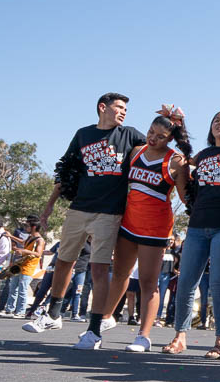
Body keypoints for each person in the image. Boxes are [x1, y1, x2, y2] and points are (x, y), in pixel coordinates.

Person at [24, 92, 146, 334]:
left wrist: (173, 126)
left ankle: (94, 328)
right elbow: (66, 170)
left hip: (109, 212)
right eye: (119, 107)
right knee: (63, 261)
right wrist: (49, 205)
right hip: (79, 208)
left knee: (99, 268)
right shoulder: (83, 134)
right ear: (103, 107)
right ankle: (53, 315)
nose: (123, 112)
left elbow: (155, 148)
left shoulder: (129, 134)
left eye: (126, 109)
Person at [80, 107, 191, 352]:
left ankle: (143, 336)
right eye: (151, 131)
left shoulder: (175, 161)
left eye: (160, 136)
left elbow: (185, 197)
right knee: (119, 275)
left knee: (148, 283)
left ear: (170, 139)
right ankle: (102, 322)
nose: (153, 138)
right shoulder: (136, 151)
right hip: (128, 224)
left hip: (155, 229)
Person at [166, 111, 220, 358]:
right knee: (186, 281)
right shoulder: (203, 155)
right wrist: (179, 125)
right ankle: (180, 336)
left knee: (218, 282)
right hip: (197, 225)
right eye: (216, 119)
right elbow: (183, 156)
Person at [0, 217, 44, 318]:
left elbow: (38, 253)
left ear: (34, 227)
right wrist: (11, 236)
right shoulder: (30, 237)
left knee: (22, 290)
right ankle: (9, 310)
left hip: (28, 267)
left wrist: (23, 251)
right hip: (20, 265)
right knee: (13, 288)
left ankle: (20, 311)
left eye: (27, 226)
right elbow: (23, 242)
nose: (25, 227)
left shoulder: (40, 240)